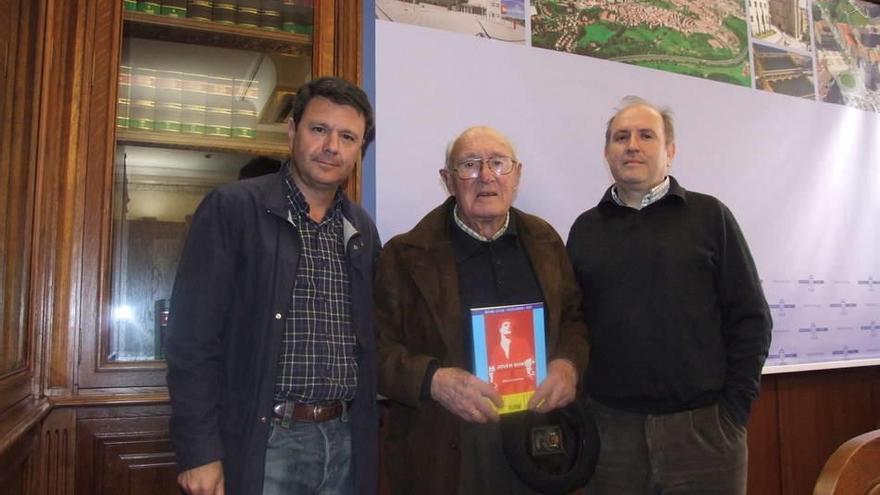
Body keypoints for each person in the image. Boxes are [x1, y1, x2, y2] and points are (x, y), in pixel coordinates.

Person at [165, 77, 380, 495]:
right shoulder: (232, 209)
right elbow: (190, 341)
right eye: (319, 129)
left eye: (348, 136)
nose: (332, 146)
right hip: (267, 440)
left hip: (345, 440)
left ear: (359, 151)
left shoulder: (362, 229)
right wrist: (199, 451)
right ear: (292, 131)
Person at [566, 96, 772, 494]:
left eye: (647, 135)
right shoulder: (584, 230)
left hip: (703, 434)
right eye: (620, 137)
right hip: (610, 435)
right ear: (607, 152)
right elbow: (572, 322)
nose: (632, 145)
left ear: (670, 152)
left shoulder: (711, 217)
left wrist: (732, 414)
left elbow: (751, 319)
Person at [375, 126, 589, 494]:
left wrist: (568, 365)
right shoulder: (404, 255)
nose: (486, 176)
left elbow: (574, 319)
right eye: (470, 165)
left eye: (498, 163)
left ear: (517, 175)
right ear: (448, 180)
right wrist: (434, 381)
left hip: (536, 444)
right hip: (447, 451)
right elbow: (373, 350)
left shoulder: (546, 241)